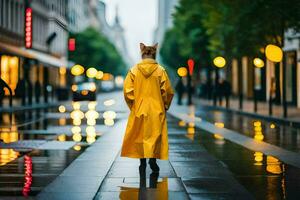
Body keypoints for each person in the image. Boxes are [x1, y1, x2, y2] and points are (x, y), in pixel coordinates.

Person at [121, 43, 174, 173]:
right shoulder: (160, 71)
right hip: (157, 109)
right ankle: (153, 160)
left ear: (142, 53)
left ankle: (142, 162)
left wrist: (133, 105)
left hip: (139, 108)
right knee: (154, 136)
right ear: (154, 53)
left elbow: (127, 91)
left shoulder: (133, 70)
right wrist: (165, 105)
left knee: (140, 136)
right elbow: (167, 91)